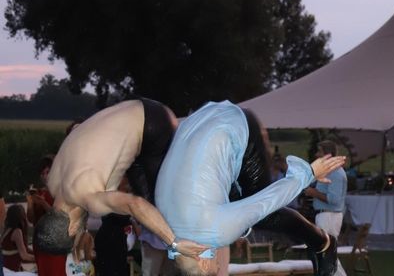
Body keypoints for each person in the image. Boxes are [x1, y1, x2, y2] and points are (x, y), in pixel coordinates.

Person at [155, 101, 346, 276]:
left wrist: (309, 173)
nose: (220, 268)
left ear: (204, 265)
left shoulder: (217, 229)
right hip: (198, 119)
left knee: (264, 216)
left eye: (217, 270)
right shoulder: (166, 231)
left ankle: (323, 243)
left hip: (237, 127)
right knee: (241, 209)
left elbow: (269, 200)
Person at [35, 99, 207, 260]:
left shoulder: (88, 196)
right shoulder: (55, 181)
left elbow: (135, 205)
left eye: (75, 234)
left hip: (154, 125)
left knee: (167, 212)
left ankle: (203, 239)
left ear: (72, 228)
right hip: (134, 108)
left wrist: (175, 243)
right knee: (153, 215)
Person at [304, 140, 348, 276]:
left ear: (327, 155)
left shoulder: (336, 174)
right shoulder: (329, 172)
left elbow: (334, 199)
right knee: (325, 252)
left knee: (327, 251)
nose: (317, 154)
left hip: (329, 216)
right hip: (325, 215)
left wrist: (313, 193)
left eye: (319, 152)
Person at [29, 155, 67, 276]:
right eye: (42, 173)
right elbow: (32, 219)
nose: (45, 176)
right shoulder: (39, 193)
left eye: (48, 172)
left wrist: (43, 203)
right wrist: (30, 203)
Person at [1, 204, 35, 271]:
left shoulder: (7, 229)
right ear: (21, 216)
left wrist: (37, 254)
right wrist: (40, 259)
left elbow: (25, 249)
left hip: (5, 268)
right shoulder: (17, 232)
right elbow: (24, 256)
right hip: (12, 269)